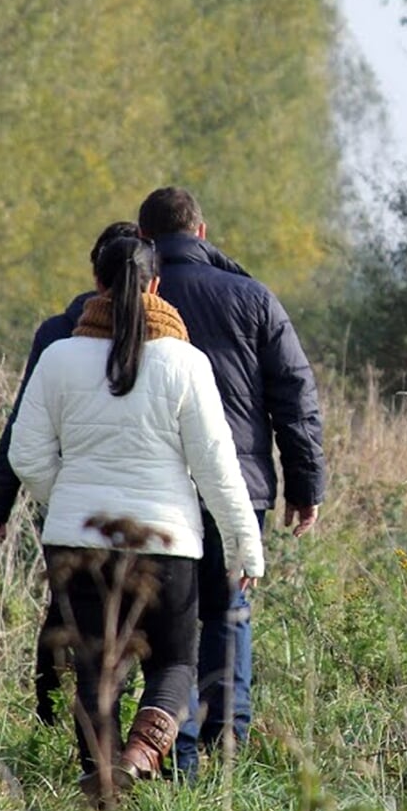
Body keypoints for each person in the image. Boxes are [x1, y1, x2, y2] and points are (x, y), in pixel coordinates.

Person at [7, 236, 264, 793]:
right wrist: (246, 544)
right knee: (174, 665)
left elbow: (24, 455)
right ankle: (141, 755)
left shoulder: (58, 358)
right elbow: (218, 467)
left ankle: (100, 785)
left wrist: (71, 499)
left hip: (77, 541)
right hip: (166, 543)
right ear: (154, 285)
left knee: (96, 670)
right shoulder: (185, 363)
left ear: (96, 283)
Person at [135, 187, 325, 772]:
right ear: (202, 230)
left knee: (167, 621)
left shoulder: (128, 300)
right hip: (239, 484)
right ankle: (228, 742)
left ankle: (172, 744)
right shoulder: (253, 297)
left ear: (144, 240)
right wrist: (305, 486)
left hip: (156, 486)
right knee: (229, 612)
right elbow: (295, 398)